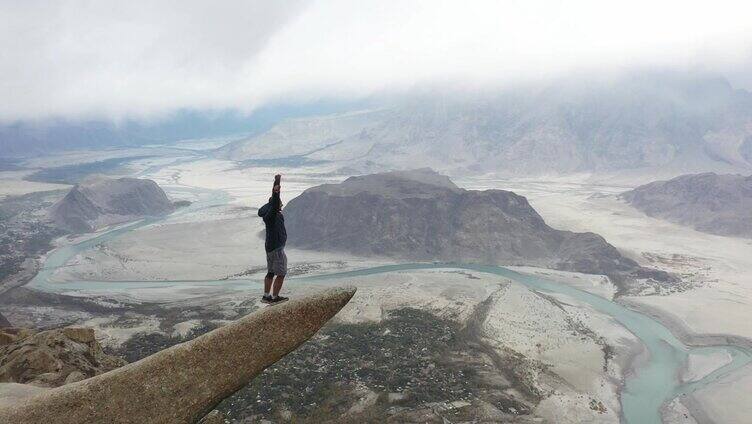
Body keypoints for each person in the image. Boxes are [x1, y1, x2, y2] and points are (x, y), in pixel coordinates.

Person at [258, 174, 288, 304]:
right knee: (281, 273)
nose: (281, 204)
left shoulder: (269, 214)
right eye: (279, 203)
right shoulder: (273, 214)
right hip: (276, 248)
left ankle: (266, 296)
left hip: (269, 247)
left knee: (270, 272)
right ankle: (275, 298)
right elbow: (275, 200)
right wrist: (277, 183)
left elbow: (272, 204)